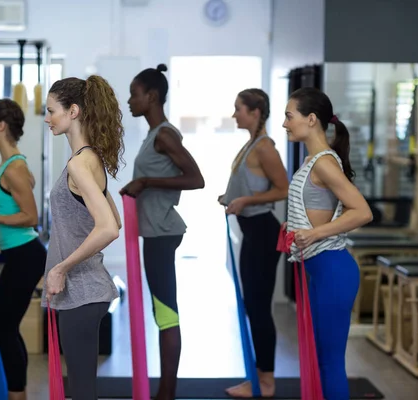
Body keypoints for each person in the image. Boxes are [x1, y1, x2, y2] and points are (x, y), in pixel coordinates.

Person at [282, 87, 373, 400]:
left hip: (334, 270)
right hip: (321, 271)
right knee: (322, 361)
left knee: (330, 363)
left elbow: (363, 211)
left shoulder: (323, 163)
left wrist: (316, 234)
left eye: (288, 116)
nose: (284, 123)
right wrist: (295, 227)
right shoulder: (314, 160)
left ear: (310, 119)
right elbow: (315, 213)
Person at [122, 64, 205, 400]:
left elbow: (196, 179)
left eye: (134, 94)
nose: (130, 101)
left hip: (162, 233)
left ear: (151, 96)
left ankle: (166, 393)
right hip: (155, 232)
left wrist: (145, 182)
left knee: (166, 311)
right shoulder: (154, 135)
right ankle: (164, 391)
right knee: (163, 311)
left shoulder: (165, 135)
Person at [42, 75, 124, 400]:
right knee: (81, 387)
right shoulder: (92, 159)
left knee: (81, 389)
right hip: (86, 293)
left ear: (73, 111)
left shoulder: (79, 164)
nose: (47, 118)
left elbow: (108, 228)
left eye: (51, 111)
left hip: (82, 292)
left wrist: (61, 268)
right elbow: (113, 218)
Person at [0, 98, 47, 400]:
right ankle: (19, 393)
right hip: (18, 256)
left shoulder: (14, 168)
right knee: (7, 327)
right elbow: (12, 203)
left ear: (0, 126)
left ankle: (17, 394)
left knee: (3, 327)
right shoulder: (6, 165)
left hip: (26, 255)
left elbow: (31, 217)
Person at [218, 88, 289, 398]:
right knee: (253, 306)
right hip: (253, 232)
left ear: (255, 112)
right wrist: (232, 197)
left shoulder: (265, 148)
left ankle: (266, 381)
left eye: (239, 109)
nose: (235, 114)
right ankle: (260, 376)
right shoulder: (251, 145)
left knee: (258, 308)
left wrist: (246, 199)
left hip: (263, 232)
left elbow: (283, 188)